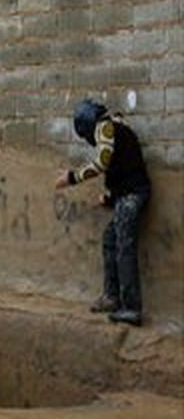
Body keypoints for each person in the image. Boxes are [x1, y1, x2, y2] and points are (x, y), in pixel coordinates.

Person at [55, 99, 152, 326]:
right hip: (127, 194)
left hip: (133, 195)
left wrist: (71, 178)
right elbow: (123, 170)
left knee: (123, 247)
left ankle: (131, 308)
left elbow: (101, 163)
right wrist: (109, 199)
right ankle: (112, 297)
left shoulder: (106, 130)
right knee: (111, 240)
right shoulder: (114, 129)